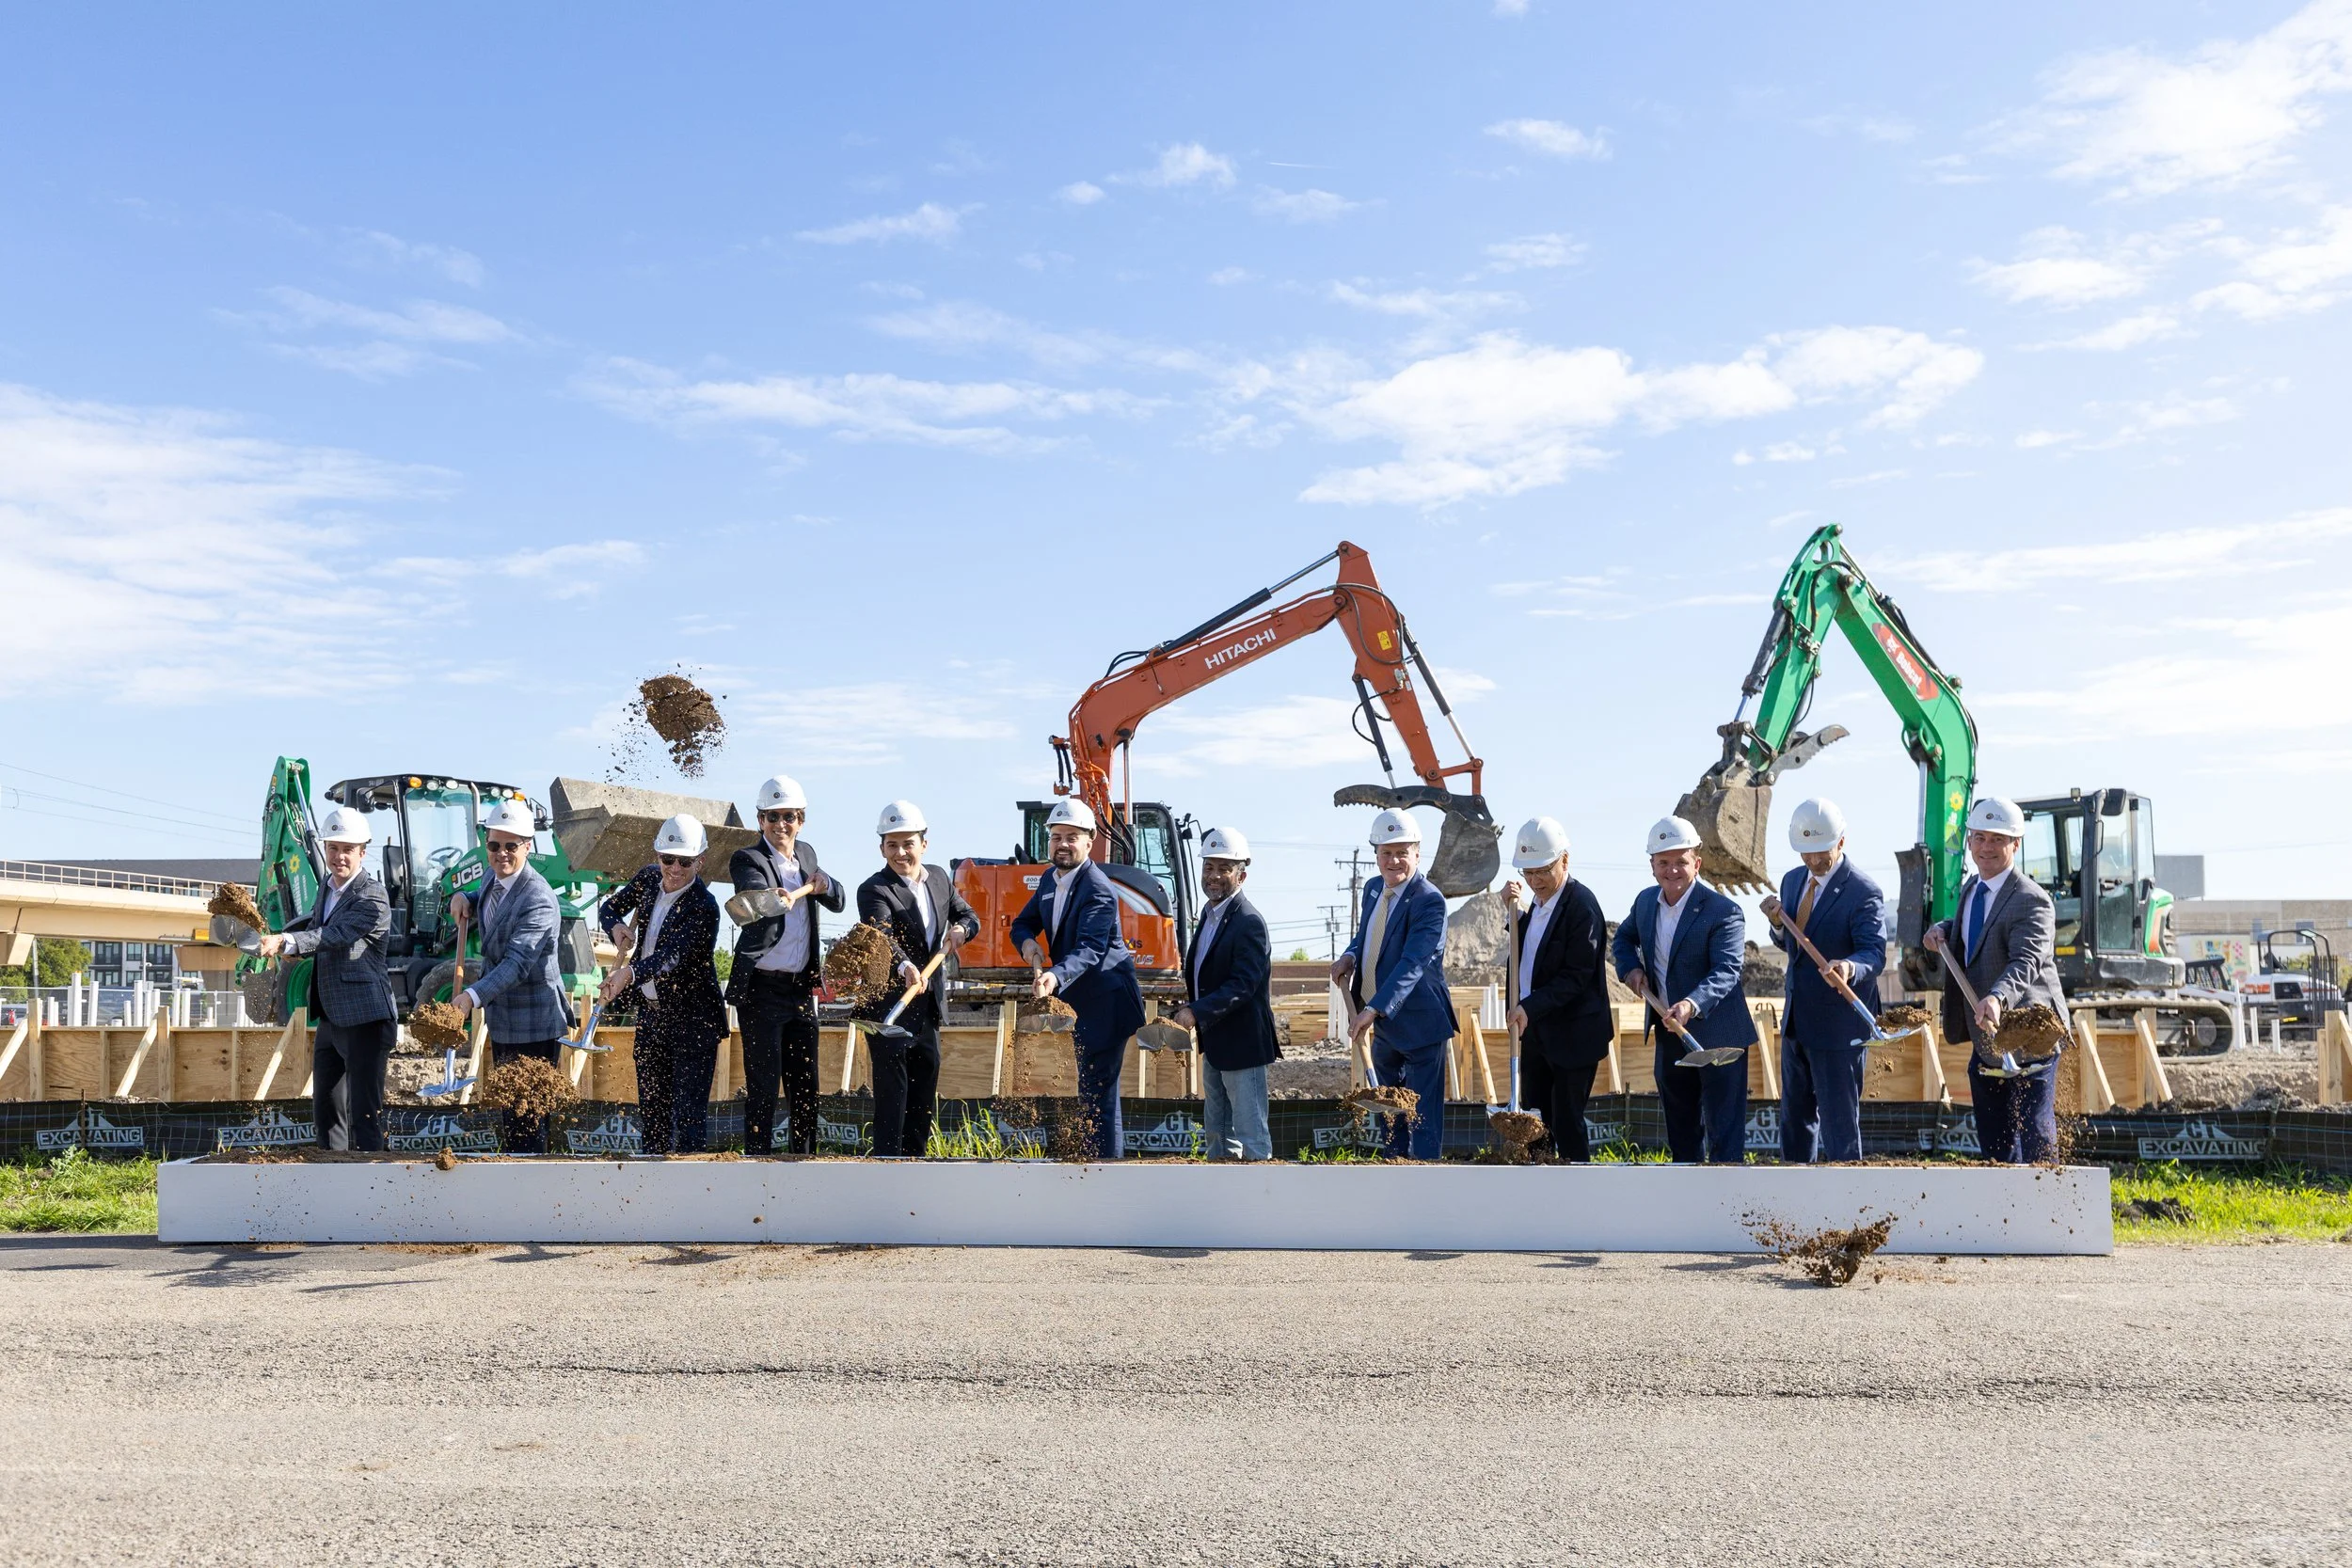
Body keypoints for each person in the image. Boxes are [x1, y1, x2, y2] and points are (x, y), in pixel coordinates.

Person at [1925, 796, 2070, 1164]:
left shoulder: (2030, 899)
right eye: (1980, 838)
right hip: (1988, 1035)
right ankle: (2004, 1216)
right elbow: (1976, 936)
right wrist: (1944, 930)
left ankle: (2047, 1213)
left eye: (1997, 839)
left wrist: (1997, 997)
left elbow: (2027, 960)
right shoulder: (1972, 888)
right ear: (1970, 840)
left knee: (2034, 1131)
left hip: (2029, 1032)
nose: (1986, 847)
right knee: (1994, 1137)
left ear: (2015, 844)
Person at [1611, 815, 1756, 1164]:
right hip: (1669, 1034)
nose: (1672, 870)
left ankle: (1727, 1209)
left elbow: (1727, 971)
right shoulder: (1646, 903)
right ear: (1652, 865)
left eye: (1681, 862)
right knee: (1681, 1130)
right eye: (1664, 862)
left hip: (1720, 1036)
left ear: (1697, 863)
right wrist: (1630, 968)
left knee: (1724, 1134)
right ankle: (1687, 1203)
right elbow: (1624, 938)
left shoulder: (1724, 912)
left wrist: (1691, 1004)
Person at [1008, 798, 1146, 1161]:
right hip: (1082, 1000)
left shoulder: (1098, 888)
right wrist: (1028, 947)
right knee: (1091, 1090)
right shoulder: (1050, 881)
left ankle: (1105, 1173)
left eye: (1072, 836)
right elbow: (1023, 923)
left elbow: (1089, 949)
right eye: (1056, 836)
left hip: (1108, 1002)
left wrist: (1054, 974)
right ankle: (1097, 1168)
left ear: (1090, 841)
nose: (1063, 844)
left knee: (1099, 1094)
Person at [258, 805, 396, 1151]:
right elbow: (319, 931)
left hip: (366, 1018)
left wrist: (288, 940)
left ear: (362, 852)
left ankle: (372, 1190)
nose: (338, 857)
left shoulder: (372, 896)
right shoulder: (326, 886)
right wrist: (296, 949)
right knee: (327, 1110)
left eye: (347, 850)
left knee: (364, 1114)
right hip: (332, 1016)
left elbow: (334, 935)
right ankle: (332, 1182)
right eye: (332, 848)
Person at [1760, 798, 1886, 1164]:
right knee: (1794, 1121)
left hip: (1838, 1026)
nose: (1813, 861)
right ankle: (1796, 1206)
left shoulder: (1863, 891)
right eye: (1805, 853)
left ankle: (1848, 1208)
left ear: (1841, 842)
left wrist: (1848, 968)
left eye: (1821, 853)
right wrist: (1777, 924)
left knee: (1839, 1127)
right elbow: (1791, 945)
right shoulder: (1792, 881)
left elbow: (1873, 953)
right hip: (1798, 1021)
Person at [726, 774, 846, 1156]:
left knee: (805, 1083)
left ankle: (804, 1159)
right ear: (760, 820)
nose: (781, 825)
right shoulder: (749, 858)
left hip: (799, 990)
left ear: (802, 819)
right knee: (763, 1084)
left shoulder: (807, 855)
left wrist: (827, 884)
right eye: (772, 817)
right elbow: (750, 893)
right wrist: (768, 896)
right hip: (762, 990)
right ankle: (757, 1162)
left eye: (789, 816)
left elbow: (839, 900)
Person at [854, 800, 977, 1157]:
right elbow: (882, 935)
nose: (901, 852)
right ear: (881, 848)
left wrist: (961, 929)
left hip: (927, 1010)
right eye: (892, 844)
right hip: (890, 1007)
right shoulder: (874, 889)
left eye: (908, 843)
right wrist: (905, 965)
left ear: (924, 842)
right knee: (894, 1097)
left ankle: (916, 1166)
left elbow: (968, 914)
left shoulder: (938, 878)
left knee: (923, 1094)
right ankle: (888, 1166)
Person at [1331, 809, 1454, 1161]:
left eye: (1402, 852)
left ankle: (1426, 1183)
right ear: (1376, 855)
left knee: (1422, 1117)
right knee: (1390, 1115)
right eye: (1386, 852)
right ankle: (1394, 1175)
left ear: (1418, 852)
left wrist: (1372, 1009)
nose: (1394, 860)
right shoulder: (1373, 889)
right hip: (1384, 1026)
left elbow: (1412, 963)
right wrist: (1350, 956)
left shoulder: (1429, 900)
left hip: (1418, 1023)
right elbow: (1367, 938)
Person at [452, 796, 572, 1154]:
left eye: (511, 846)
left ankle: (534, 1197)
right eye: (494, 845)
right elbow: (489, 897)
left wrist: (471, 997)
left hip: (535, 1023)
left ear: (528, 846)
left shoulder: (538, 899)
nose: (501, 853)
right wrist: (465, 897)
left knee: (530, 1120)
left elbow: (517, 964)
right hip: (505, 1021)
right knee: (510, 1114)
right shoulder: (492, 875)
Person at [599, 815, 725, 1155]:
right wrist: (614, 927)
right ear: (657, 856)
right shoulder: (647, 880)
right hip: (652, 1017)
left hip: (694, 1021)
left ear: (700, 860)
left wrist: (629, 974)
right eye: (667, 859)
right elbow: (610, 907)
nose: (674, 869)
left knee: (688, 1119)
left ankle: (691, 1195)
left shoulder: (704, 906)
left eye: (685, 862)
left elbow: (672, 957)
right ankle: (655, 1191)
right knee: (652, 1114)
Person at [1497, 816, 1613, 1163]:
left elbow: (1576, 976)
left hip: (1574, 1036)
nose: (1535, 881)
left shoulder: (1582, 906)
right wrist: (1511, 912)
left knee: (1566, 1120)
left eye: (1542, 871)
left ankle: (1578, 1196)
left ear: (1564, 860)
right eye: (1528, 873)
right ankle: (1540, 1195)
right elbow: (1531, 951)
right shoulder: (1538, 902)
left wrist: (1528, 1007)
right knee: (1535, 1124)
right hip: (1536, 1033)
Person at [1174, 827, 1279, 1161]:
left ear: (1241, 875)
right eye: (1209, 867)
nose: (1214, 876)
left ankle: (1258, 1203)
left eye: (1224, 869)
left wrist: (1196, 1012)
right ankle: (1221, 1198)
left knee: (1251, 1134)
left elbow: (1243, 985)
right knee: (1218, 1131)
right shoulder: (1209, 915)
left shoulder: (1248, 922)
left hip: (1243, 1045)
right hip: (1217, 1042)